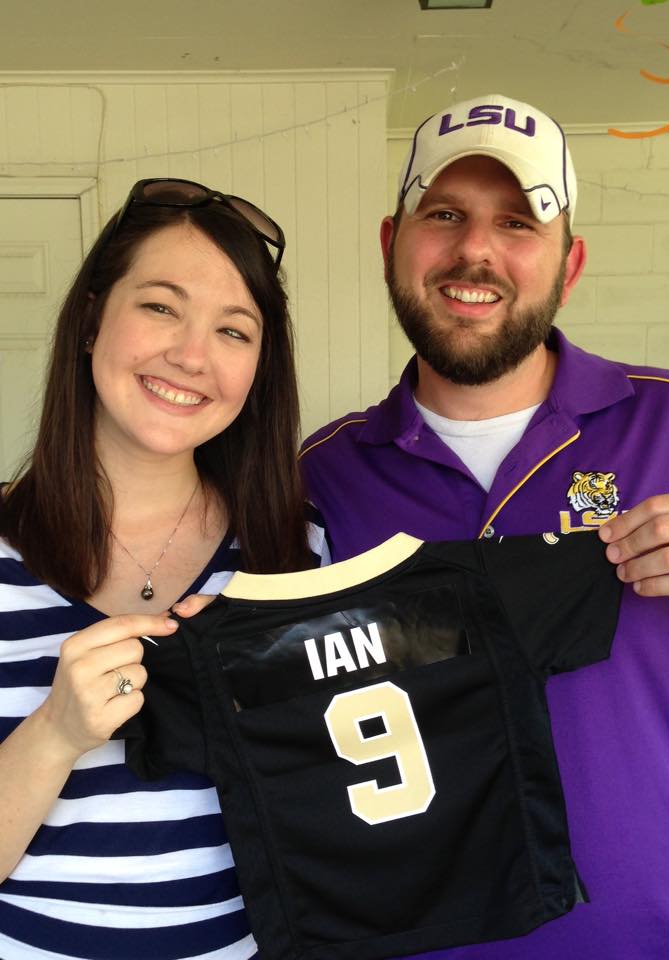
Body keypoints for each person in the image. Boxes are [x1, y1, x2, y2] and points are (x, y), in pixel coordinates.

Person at [300, 94, 669, 960]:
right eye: (444, 214)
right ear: (392, 244)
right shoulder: (323, 472)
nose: (475, 250)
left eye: (519, 222)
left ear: (569, 267)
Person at [0, 178, 325, 960]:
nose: (191, 356)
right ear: (89, 320)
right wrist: (54, 733)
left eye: (234, 330)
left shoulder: (295, 553)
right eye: (160, 306)